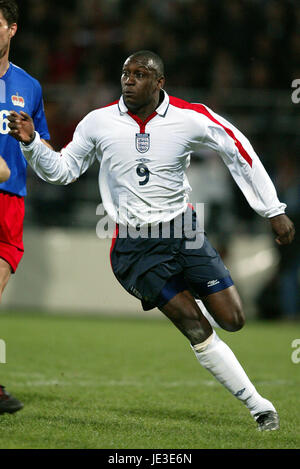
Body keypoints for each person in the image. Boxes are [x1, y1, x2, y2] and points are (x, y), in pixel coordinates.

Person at [8, 50, 295, 431]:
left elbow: (239, 149)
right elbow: (62, 171)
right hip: (134, 246)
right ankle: (261, 407)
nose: (129, 80)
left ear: (159, 83)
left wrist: (272, 209)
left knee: (234, 320)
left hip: (183, 231)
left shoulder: (190, 117)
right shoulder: (99, 122)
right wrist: (31, 144)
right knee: (195, 326)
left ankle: (200, 305)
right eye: (125, 73)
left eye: (140, 74)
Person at [0, 0, 50, 415]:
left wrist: (33, 139)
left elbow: (43, 150)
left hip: (10, 201)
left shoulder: (29, 87)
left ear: (12, 30)